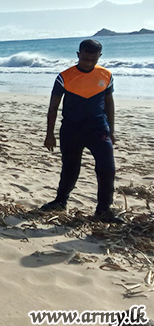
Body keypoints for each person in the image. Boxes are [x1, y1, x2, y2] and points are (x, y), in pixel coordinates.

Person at [40, 39, 121, 223]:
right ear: (78, 55)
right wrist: (49, 134)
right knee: (70, 168)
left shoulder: (106, 75)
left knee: (107, 168)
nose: (89, 63)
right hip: (71, 129)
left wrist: (112, 130)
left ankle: (103, 209)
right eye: (85, 59)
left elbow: (109, 103)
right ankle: (61, 201)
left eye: (93, 59)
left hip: (99, 129)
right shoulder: (64, 77)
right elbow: (53, 108)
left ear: (99, 57)